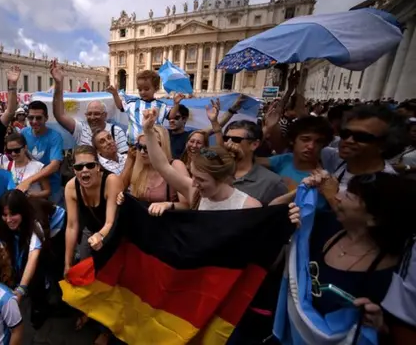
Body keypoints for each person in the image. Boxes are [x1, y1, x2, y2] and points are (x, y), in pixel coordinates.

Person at [288, 171, 416, 341]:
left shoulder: (395, 274)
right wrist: (297, 199)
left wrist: (379, 326)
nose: (337, 197)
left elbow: (397, 333)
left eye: (349, 195)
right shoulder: (320, 226)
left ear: (374, 218)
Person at [142, 108, 261, 210]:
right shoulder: (195, 194)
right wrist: (148, 131)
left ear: (222, 178)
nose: (194, 184)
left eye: (201, 180)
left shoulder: (249, 207)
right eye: (194, 176)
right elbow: (162, 166)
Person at [64, 145, 123, 345]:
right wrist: (67, 261)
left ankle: (106, 330)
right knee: (85, 279)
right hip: (90, 232)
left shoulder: (112, 180)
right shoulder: (71, 187)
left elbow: (110, 222)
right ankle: (89, 312)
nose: (84, 170)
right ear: (74, 170)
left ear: (99, 167)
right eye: (79, 167)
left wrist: (99, 237)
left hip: (115, 234)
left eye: (90, 165)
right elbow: (72, 226)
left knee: (110, 284)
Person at [0, 190, 50, 328]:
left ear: (23, 212)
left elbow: (33, 257)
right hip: (22, 237)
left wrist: (21, 289)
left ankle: (40, 309)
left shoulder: (36, 225)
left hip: (57, 231)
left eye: (13, 214)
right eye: (4, 215)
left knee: (39, 273)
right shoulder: (2, 225)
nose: (8, 219)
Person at [50, 60, 127, 154]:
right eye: (89, 114)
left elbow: (125, 160)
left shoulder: (116, 131)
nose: (92, 117)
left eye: (97, 114)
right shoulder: (81, 130)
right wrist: (59, 83)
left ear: (105, 115)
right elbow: (59, 115)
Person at [107, 69, 180, 145]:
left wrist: (176, 103)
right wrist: (115, 94)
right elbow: (120, 106)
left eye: (146, 89)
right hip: (133, 144)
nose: (143, 92)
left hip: (153, 145)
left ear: (156, 88)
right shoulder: (132, 103)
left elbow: (171, 116)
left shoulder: (161, 105)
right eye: (140, 89)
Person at [18, 101, 64, 203]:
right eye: (31, 118)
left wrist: (29, 181)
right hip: (29, 189)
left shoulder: (55, 137)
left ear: (46, 118)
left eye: (38, 118)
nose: (34, 121)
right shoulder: (23, 133)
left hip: (52, 189)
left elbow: (54, 165)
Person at [0, 133, 50, 199]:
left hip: (32, 206)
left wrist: (35, 195)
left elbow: (47, 191)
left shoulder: (38, 167)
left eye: (16, 150)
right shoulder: (5, 166)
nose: (13, 153)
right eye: (9, 151)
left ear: (25, 148)